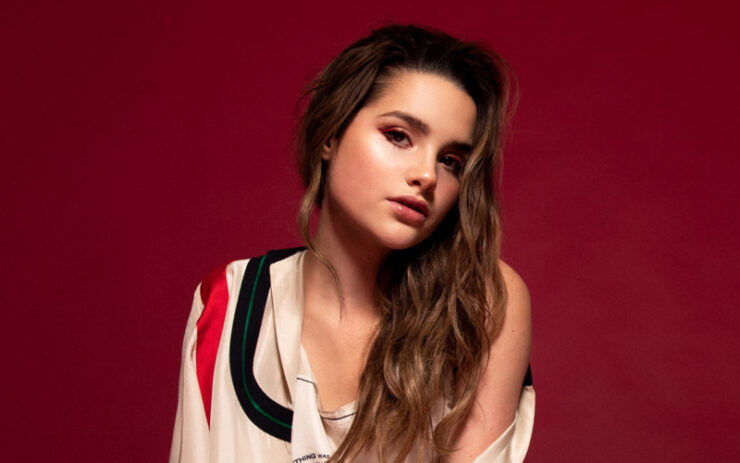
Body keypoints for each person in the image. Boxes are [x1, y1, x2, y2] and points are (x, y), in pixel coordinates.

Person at [170, 24, 534, 463]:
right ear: (330, 133)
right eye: (398, 136)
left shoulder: (480, 301)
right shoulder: (230, 304)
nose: (427, 175)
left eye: (450, 160)